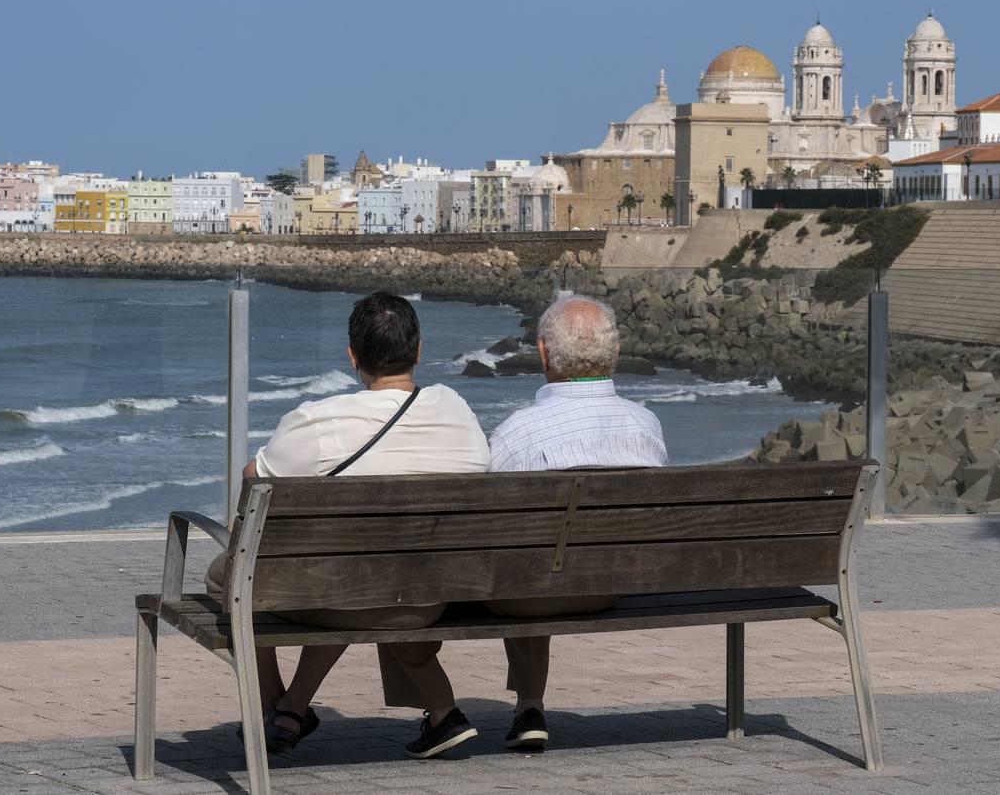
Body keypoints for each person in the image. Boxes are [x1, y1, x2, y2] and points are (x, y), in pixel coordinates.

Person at [205, 291, 489, 759]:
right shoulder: (456, 410)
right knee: (361, 575)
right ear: (418, 351)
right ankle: (296, 706)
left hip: (348, 592)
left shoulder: (319, 422)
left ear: (352, 357)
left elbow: (252, 481)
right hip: (429, 597)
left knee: (234, 578)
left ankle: (274, 703)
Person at [485, 294, 668, 749]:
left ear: (543, 353)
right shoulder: (646, 425)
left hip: (535, 596)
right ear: (616, 354)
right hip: (617, 586)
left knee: (532, 564)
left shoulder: (517, 431)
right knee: (548, 558)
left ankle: (529, 703)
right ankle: (529, 704)